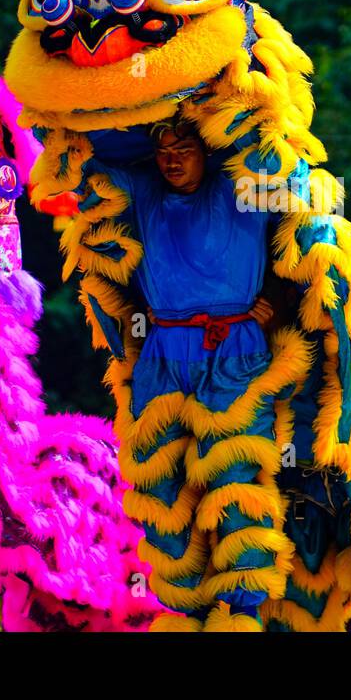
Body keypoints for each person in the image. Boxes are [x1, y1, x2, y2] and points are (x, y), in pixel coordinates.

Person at [87, 117, 295, 629]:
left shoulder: (238, 182)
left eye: (184, 148)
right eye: (163, 151)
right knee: (158, 482)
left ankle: (243, 613)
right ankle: (185, 611)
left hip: (234, 348)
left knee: (234, 477)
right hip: (162, 349)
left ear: (207, 150)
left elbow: (278, 156)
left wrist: (280, 299)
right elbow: (86, 154)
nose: (173, 159)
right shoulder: (145, 190)